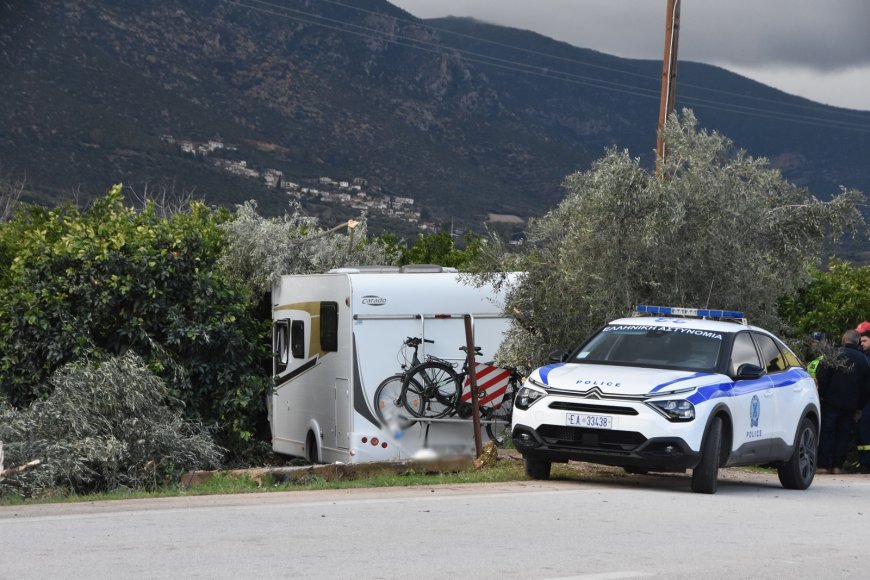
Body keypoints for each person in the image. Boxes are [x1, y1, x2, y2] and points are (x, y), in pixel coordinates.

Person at [816, 329, 870, 474]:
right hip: (851, 405)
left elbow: (822, 375)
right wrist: (859, 406)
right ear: (858, 341)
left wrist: (821, 395)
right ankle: (837, 467)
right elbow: (867, 387)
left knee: (827, 433)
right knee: (843, 435)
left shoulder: (834, 354)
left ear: (843, 339)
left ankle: (822, 466)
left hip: (830, 402)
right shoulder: (863, 359)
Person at [857, 323, 870, 473]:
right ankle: (864, 462)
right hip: (865, 400)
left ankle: (866, 464)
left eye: (864, 340)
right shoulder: (864, 357)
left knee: (865, 431)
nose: (861, 343)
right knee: (864, 432)